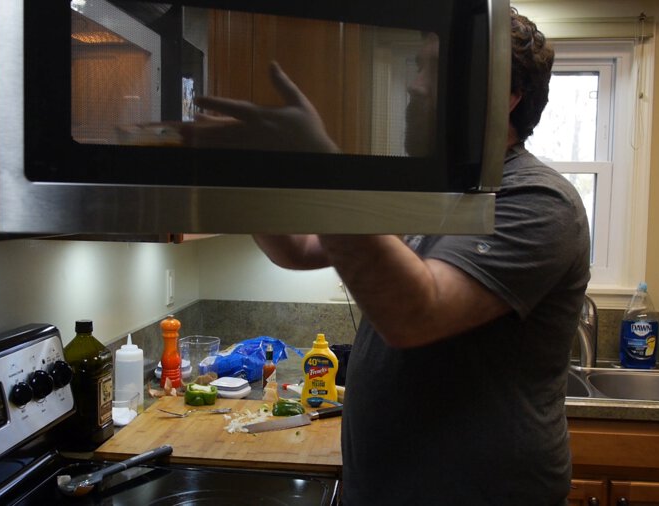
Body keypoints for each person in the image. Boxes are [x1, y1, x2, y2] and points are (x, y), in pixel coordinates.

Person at [188, 9, 589, 505]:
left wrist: (322, 161)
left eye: (431, 71)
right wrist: (245, 170)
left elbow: (413, 315)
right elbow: (298, 247)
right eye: (415, 69)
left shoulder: (539, 202)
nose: (413, 87)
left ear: (505, 96)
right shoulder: (435, 195)